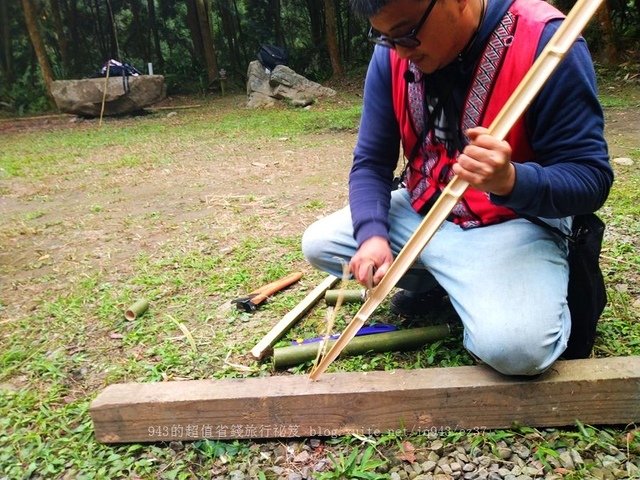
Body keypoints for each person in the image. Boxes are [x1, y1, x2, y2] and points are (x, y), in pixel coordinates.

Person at [302, 0, 613, 376]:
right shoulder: (392, 55)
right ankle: (448, 282)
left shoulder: (547, 43)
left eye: (407, 33)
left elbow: (590, 177)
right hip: (422, 212)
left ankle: (486, 288)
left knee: (518, 349)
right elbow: (371, 162)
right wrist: (372, 236)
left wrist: (512, 180)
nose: (401, 51)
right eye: (385, 37)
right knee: (321, 243)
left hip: (514, 224)